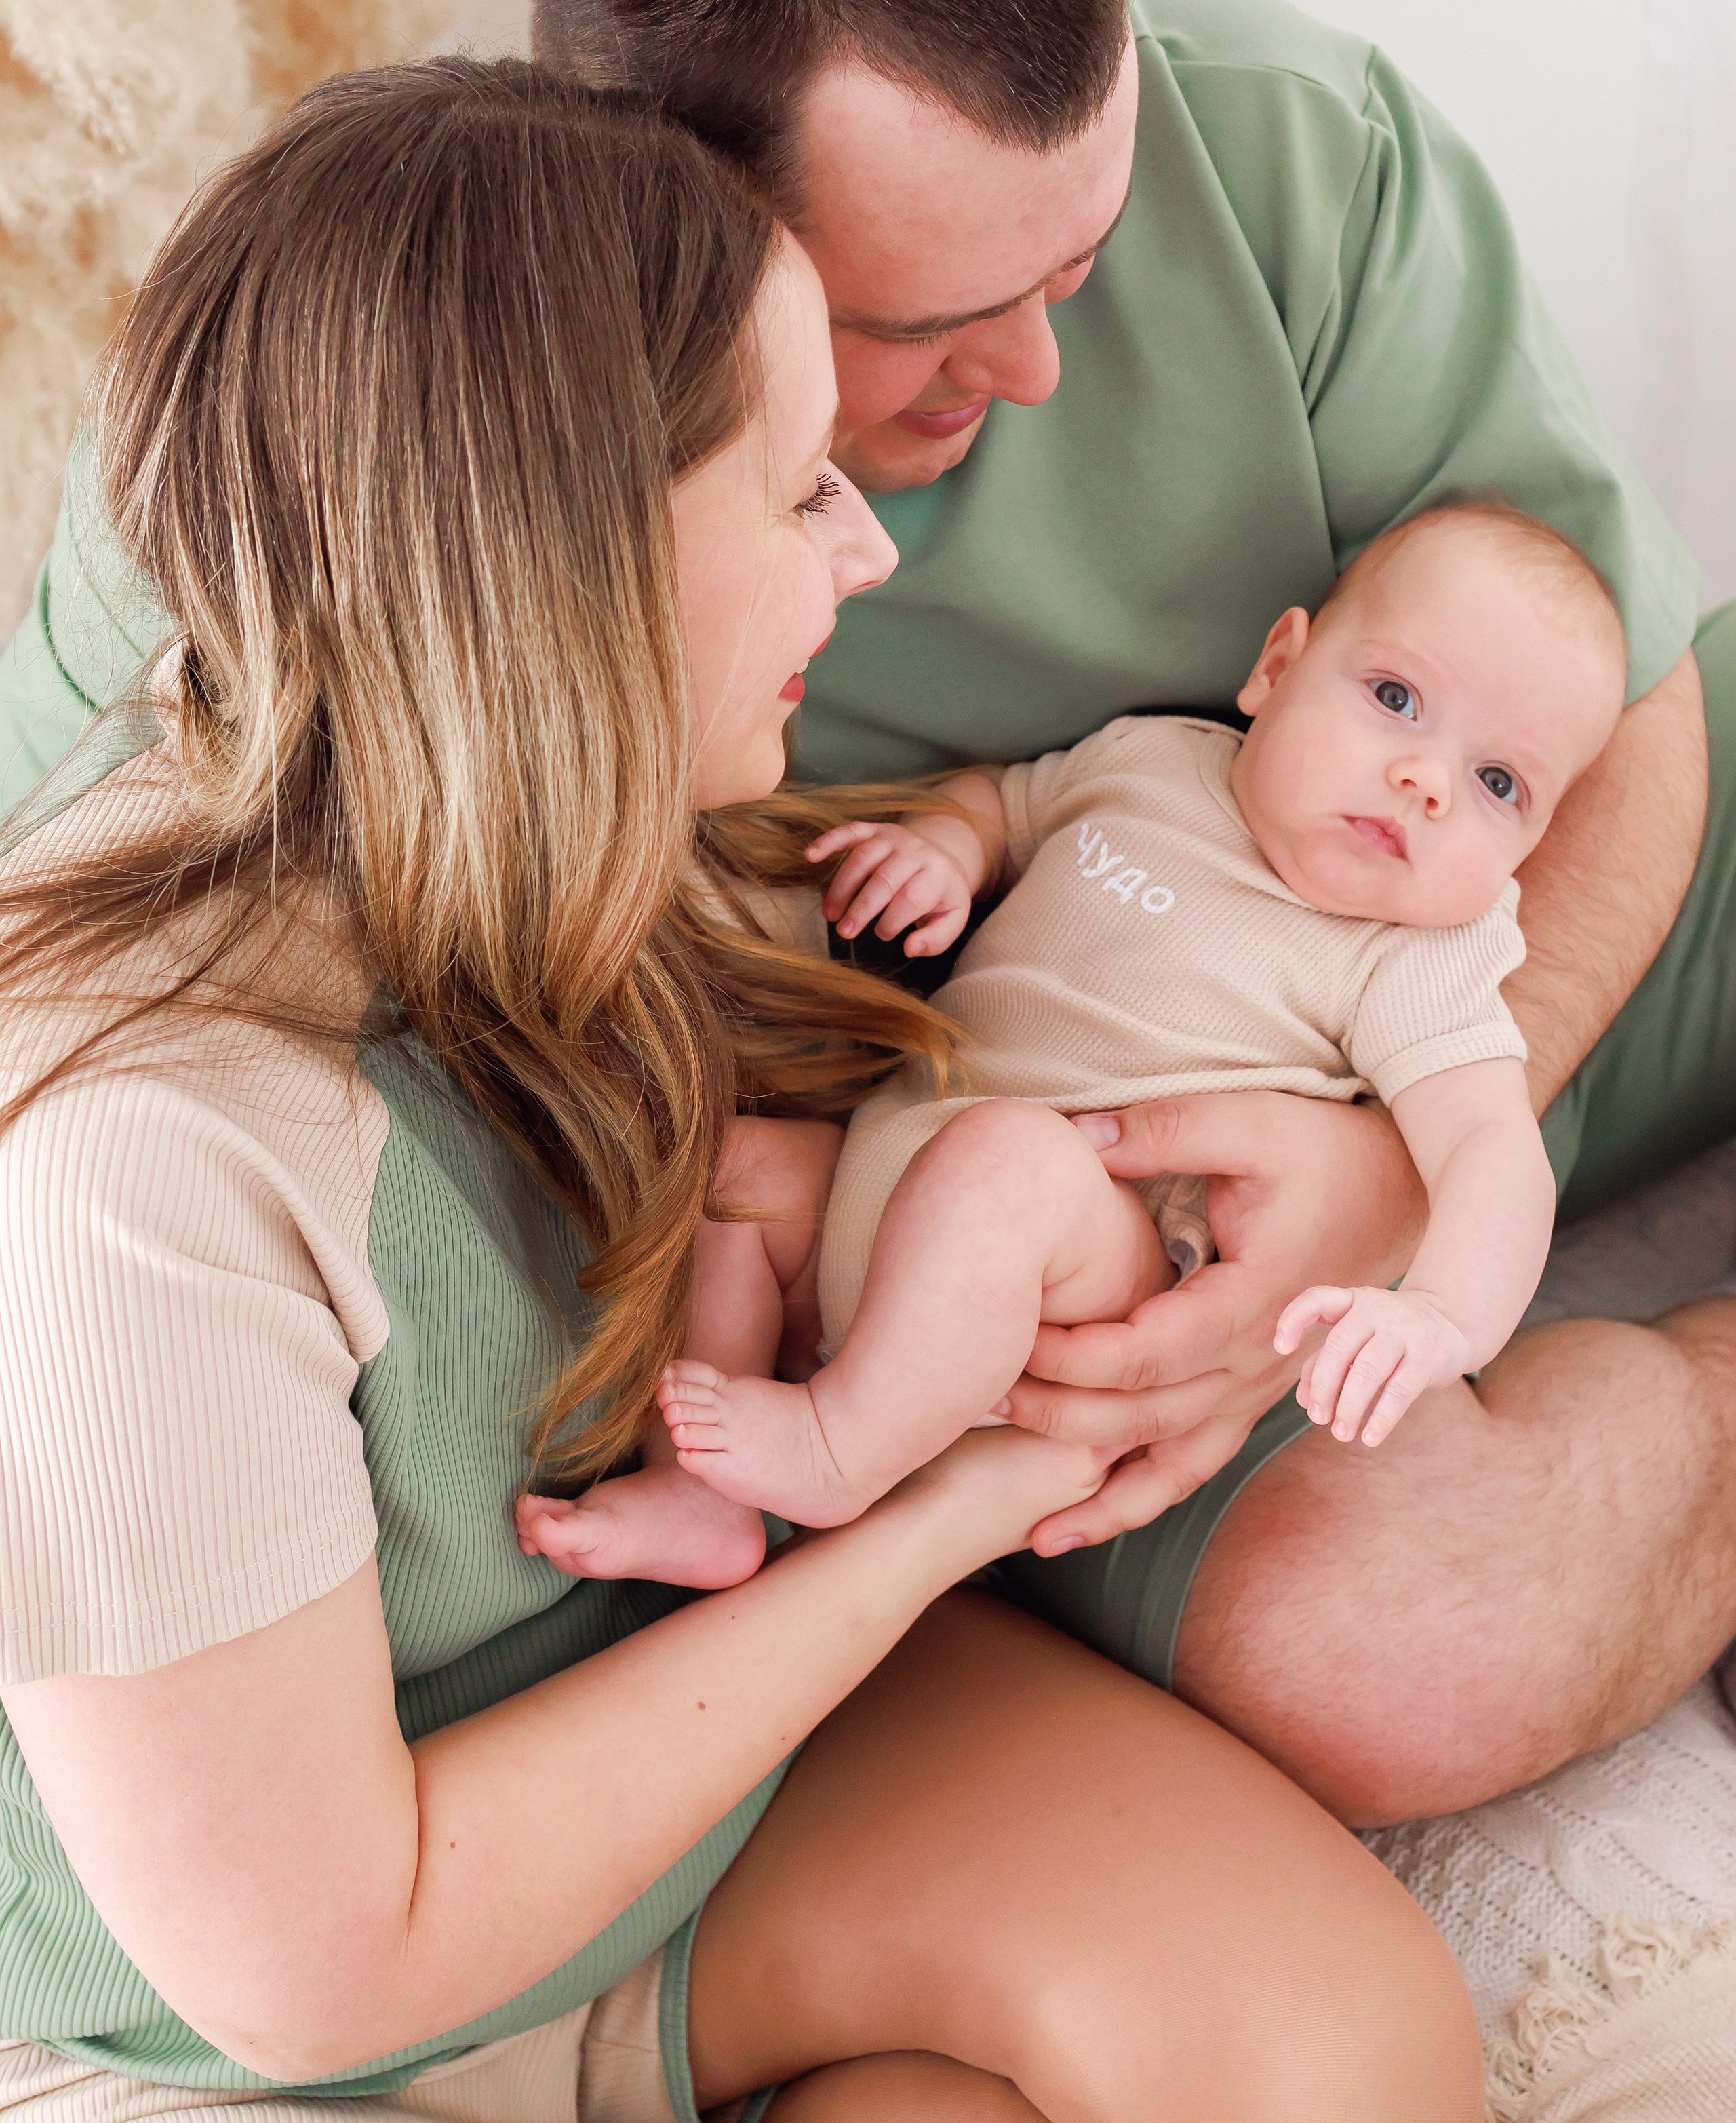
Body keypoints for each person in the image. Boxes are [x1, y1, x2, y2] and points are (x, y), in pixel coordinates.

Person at [4, 0, 1733, 1830]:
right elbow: (97, 993)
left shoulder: (1288, 138)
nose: (1029, 369)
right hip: (1017, 1203)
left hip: (1521, 998)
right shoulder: (339, 457)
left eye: (1084, 262)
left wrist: (1399, 1181)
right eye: (915, 330)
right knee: (1396, 1648)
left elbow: (1630, 705)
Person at [0, 58, 1481, 2122]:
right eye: (799, 487)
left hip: (638, 1723)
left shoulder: (534, 813)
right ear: (566, 568)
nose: (868, 556)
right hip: (291, 1976)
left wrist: (1350, 1168)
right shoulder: (127, 1170)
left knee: (1336, 2070)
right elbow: (314, 1976)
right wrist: (939, 1508)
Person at [522, 501, 1619, 1586]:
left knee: (1007, 1163)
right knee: (742, 1179)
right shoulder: (1151, 758)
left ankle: (836, 1450)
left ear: (1529, 847)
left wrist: (1442, 1318)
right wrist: (949, 852)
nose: (1426, 781)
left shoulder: (1409, 956)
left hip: (1084, 1267)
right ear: (1277, 668)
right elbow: (1003, 804)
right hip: (889, 1174)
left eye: (1497, 784)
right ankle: (701, 1497)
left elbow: (1488, 1148)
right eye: (1395, 698)